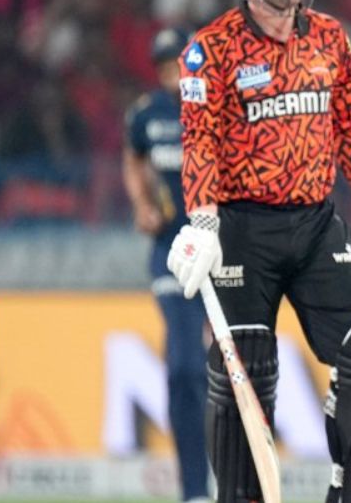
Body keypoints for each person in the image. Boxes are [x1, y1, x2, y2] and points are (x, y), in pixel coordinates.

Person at [166, 0, 351, 503]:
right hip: (242, 229)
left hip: (317, 221)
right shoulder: (210, 50)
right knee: (244, 374)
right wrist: (203, 222)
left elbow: (347, 124)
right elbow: (199, 141)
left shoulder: (330, 37)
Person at [123, 27, 212, 503]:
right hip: (170, 251)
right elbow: (134, 159)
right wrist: (141, 204)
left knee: (237, 370)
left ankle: (244, 481)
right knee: (183, 368)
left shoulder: (218, 107)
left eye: (174, 63)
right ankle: (195, 491)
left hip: (222, 251)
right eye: (161, 65)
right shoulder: (146, 114)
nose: (168, 74)